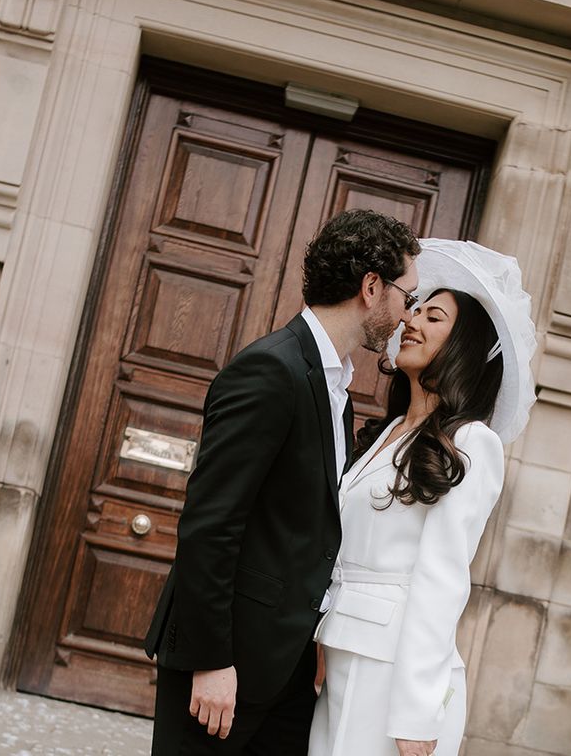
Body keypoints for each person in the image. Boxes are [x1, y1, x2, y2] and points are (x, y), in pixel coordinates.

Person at [143, 209, 421, 756]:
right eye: (406, 295)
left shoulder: (336, 385)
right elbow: (210, 524)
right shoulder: (271, 370)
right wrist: (212, 661)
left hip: (287, 666)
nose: (407, 313)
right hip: (228, 662)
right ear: (371, 287)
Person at [309, 239, 537, 756]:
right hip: (341, 655)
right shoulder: (384, 434)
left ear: (463, 348)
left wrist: (416, 713)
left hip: (392, 675)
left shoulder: (471, 443)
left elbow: (441, 581)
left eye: (433, 318)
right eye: (414, 309)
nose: (411, 321)